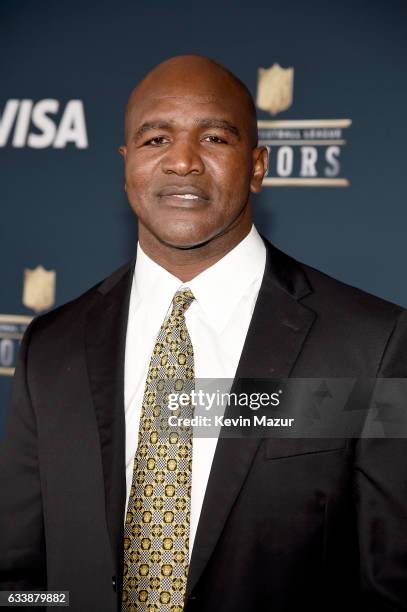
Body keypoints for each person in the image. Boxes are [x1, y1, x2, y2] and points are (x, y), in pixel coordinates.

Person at [0, 54, 406, 612]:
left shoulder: (368, 344)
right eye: (155, 140)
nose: (183, 162)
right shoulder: (53, 344)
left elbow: (391, 583)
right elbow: (21, 578)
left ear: (258, 165)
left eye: (214, 138)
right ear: (126, 165)